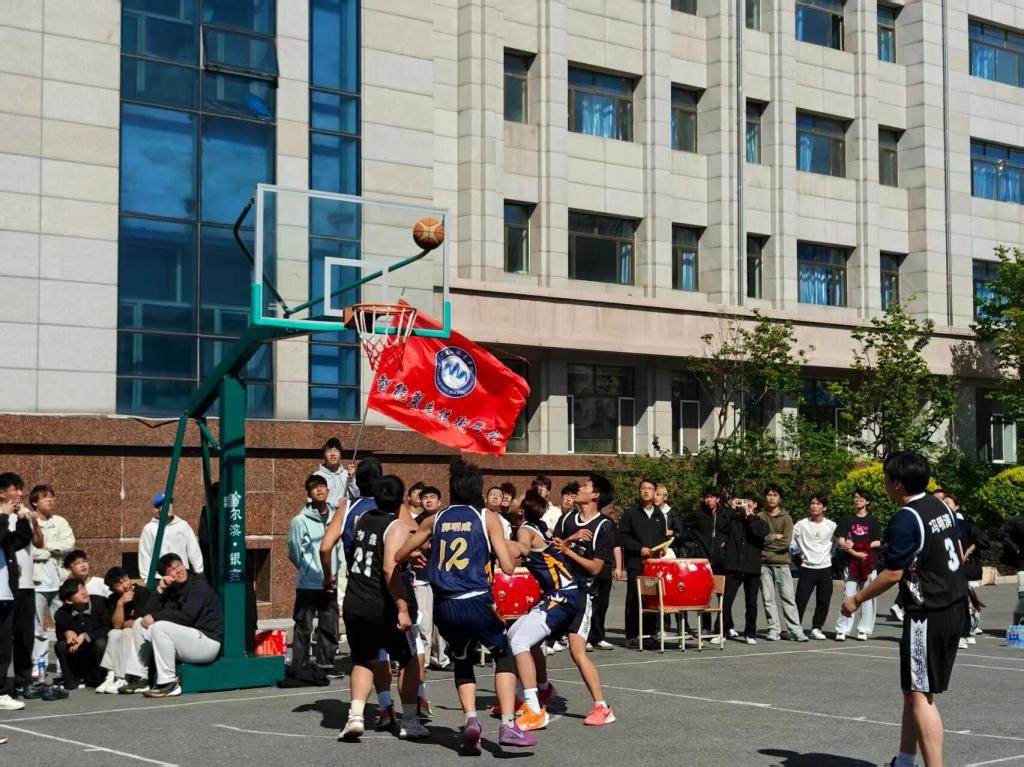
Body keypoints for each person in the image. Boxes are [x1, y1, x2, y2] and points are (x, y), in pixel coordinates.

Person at [396, 459, 537, 754]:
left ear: (451, 490)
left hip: (445, 605)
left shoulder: (436, 518)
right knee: (503, 654)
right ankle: (508, 725)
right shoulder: (486, 517)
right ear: (479, 491)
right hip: (476, 599)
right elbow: (508, 567)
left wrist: (417, 554)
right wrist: (506, 550)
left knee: (462, 659)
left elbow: (400, 553)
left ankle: (471, 719)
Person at [841, 451, 969, 767]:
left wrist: (856, 599)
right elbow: (952, 549)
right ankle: (905, 760)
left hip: (929, 613)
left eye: (886, 478)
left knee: (921, 696)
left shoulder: (907, 517)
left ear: (897, 483)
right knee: (912, 690)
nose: (884, 483)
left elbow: (892, 574)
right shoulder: (941, 505)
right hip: (953, 604)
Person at [336, 475, 427, 742]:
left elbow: (368, 552)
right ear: (401, 500)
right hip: (383, 604)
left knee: (363, 659)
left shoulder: (362, 519)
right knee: (408, 659)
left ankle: (355, 716)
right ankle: (409, 720)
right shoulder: (396, 526)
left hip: (356, 600)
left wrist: (406, 553)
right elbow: (389, 569)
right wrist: (401, 606)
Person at [122, 553, 223, 698]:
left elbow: (188, 616)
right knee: (139, 624)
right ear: (166, 575)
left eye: (179, 565)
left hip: (208, 642)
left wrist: (155, 617)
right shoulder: (171, 589)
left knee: (159, 626)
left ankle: (169, 683)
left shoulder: (199, 584)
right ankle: (140, 678)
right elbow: (144, 615)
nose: (178, 570)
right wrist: (160, 590)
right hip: (187, 641)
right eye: (172, 570)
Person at [289, 474, 340, 673]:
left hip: (331, 580)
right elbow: (294, 551)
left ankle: (326, 663)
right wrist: (307, 568)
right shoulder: (299, 521)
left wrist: (335, 568)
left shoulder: (336, 517)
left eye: (322, 486)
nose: (319, 490)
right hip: (308, 583)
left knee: (329, 624)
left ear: (328, 490)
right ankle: (300, 664)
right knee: (304, 625)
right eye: (314, 487)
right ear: (309, 493)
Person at [28, 484, 76, 675]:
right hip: (37, 580)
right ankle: (38, 664)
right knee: (36, 627)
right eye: (45, 497)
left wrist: (46, 547)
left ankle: (67, 666)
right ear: (35, 502)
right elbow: (29, 551)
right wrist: (47, 553)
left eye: (52, 496)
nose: (50, 500)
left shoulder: (60, 521)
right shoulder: (28, 522)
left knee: (64, 623)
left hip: (59, 579)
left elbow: (69, 544)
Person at [2, 473, 40, 699]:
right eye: (15, 489)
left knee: (25, 636)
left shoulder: (21, 513)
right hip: (4, 588)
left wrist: (24, 519)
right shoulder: (2, 515)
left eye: (21, 489)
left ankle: (23, 682)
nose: (20, 493)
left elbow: (26, 540)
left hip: (25, 585)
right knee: (4, 637)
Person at [617, 478, 669, 647]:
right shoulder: (631, 513)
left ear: (655, 493)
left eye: (650, 489)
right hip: (636, 562)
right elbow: (623, 537)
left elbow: (662, 537)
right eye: (643, 488)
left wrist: (662, 548)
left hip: (653, 564)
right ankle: (632, 635)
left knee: (651, 598)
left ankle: (650, 633)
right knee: (634, 598)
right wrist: (639, 549)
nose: (646, 491)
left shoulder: (659, 515)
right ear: (639, 491)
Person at [714, 494, 769, 645]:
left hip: (751, 567)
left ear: (755, 505)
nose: (746, 506)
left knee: (751, 603)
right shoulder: (733, 519)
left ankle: (750, 633)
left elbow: (761, 532)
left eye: (749, 503)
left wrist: (750, 517)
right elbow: (720, 526)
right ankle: (721, 631)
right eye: (743, 503)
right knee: (726, 601)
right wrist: (731, 509)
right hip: (733, 566)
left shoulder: (759, 521)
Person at [758, 484, 808, 643]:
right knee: (768, 599)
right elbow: (758, 540)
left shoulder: (787, 518)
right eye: (769, 495)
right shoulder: (760, 517)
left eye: (775, 495)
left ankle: (795, 631)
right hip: (764, 564)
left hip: (782, 563)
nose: (771, 498)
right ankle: (773, 629)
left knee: (788, 598)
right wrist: (774, 537)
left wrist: (767, 541)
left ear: (780, 498)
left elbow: (786, 543)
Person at [833, 488, 882, 642]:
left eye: (861, 498)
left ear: (867, 502)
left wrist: (859, 546)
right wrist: (853, 551)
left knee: (868, 597)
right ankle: (842, 629)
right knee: (848, 594)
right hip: (851, 563)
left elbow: (878, 542)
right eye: (855, 497)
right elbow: (841, 540)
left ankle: (864, 629)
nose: (858, 500)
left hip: (869, 563)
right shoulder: (847, 519)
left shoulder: (873, 521)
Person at [95, 567, 150, 694]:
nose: (124, 585)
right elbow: (116, 626)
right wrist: (120, 604)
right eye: (118, 584)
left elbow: (136, 623)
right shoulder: (113, 599)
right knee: (113, 634)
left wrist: (124, 624)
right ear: (112, 589)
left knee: (126, 632)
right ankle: (110, 677)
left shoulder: (142, 593)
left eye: (125, 580)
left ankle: (122, 678)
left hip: (142, 634)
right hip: (124, 631)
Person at [792, 493, 837, 640]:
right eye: (812, 503)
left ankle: (817, 628)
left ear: (824, 508)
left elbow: (838, 541)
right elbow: (790, 539)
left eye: (818, 504)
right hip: (807, 567)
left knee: (824, 600)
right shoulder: (801, 524)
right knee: (800, 599)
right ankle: (795, 627)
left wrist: (832, 553)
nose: (814, 506)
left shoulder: (831, 525)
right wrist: (798, 552)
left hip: (825, 567)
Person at [943, 495, 987, 646]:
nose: (944, 505)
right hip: (951, 568)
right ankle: (966, 631)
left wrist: (966, 553)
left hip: (964, 568)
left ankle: (966, 631)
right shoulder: (943, 523)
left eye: (947, 502)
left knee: (964, 601)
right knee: (961, 601)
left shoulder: (963, 524)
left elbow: (980, 541)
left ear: (956, 507)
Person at [53, 578, 111, 690]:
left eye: (83, 588)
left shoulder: (101, 603)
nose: (83, 592)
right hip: (79, 656)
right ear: (69, 601)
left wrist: (86, 636)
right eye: (77, 592)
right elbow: (59, 634)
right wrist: (67, 633)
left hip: (97, 652)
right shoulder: (62, 613)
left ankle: (100, 680)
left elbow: (108, 627)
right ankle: (70, 680)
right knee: (61, 645)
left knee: (101, 643)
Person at [137, 493, 204, 580]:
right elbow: (145, 554)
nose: (168, 506)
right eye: (163, 504)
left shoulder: (183, 525)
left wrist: (199, 573)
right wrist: (148, 579)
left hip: (182, 576)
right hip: (162, 579)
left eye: (170, 503)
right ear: (156, 510)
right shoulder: (149, 529)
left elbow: (194, 550)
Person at [314, 437, 358, 508]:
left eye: (336, 451)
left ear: (340, 455)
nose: (332, 454)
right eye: (329, 451)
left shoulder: (346, 474)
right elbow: (312, 502)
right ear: (324, 455)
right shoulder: (317, 476)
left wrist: (351, 479)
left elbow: (356, 496)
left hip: (344, 513)